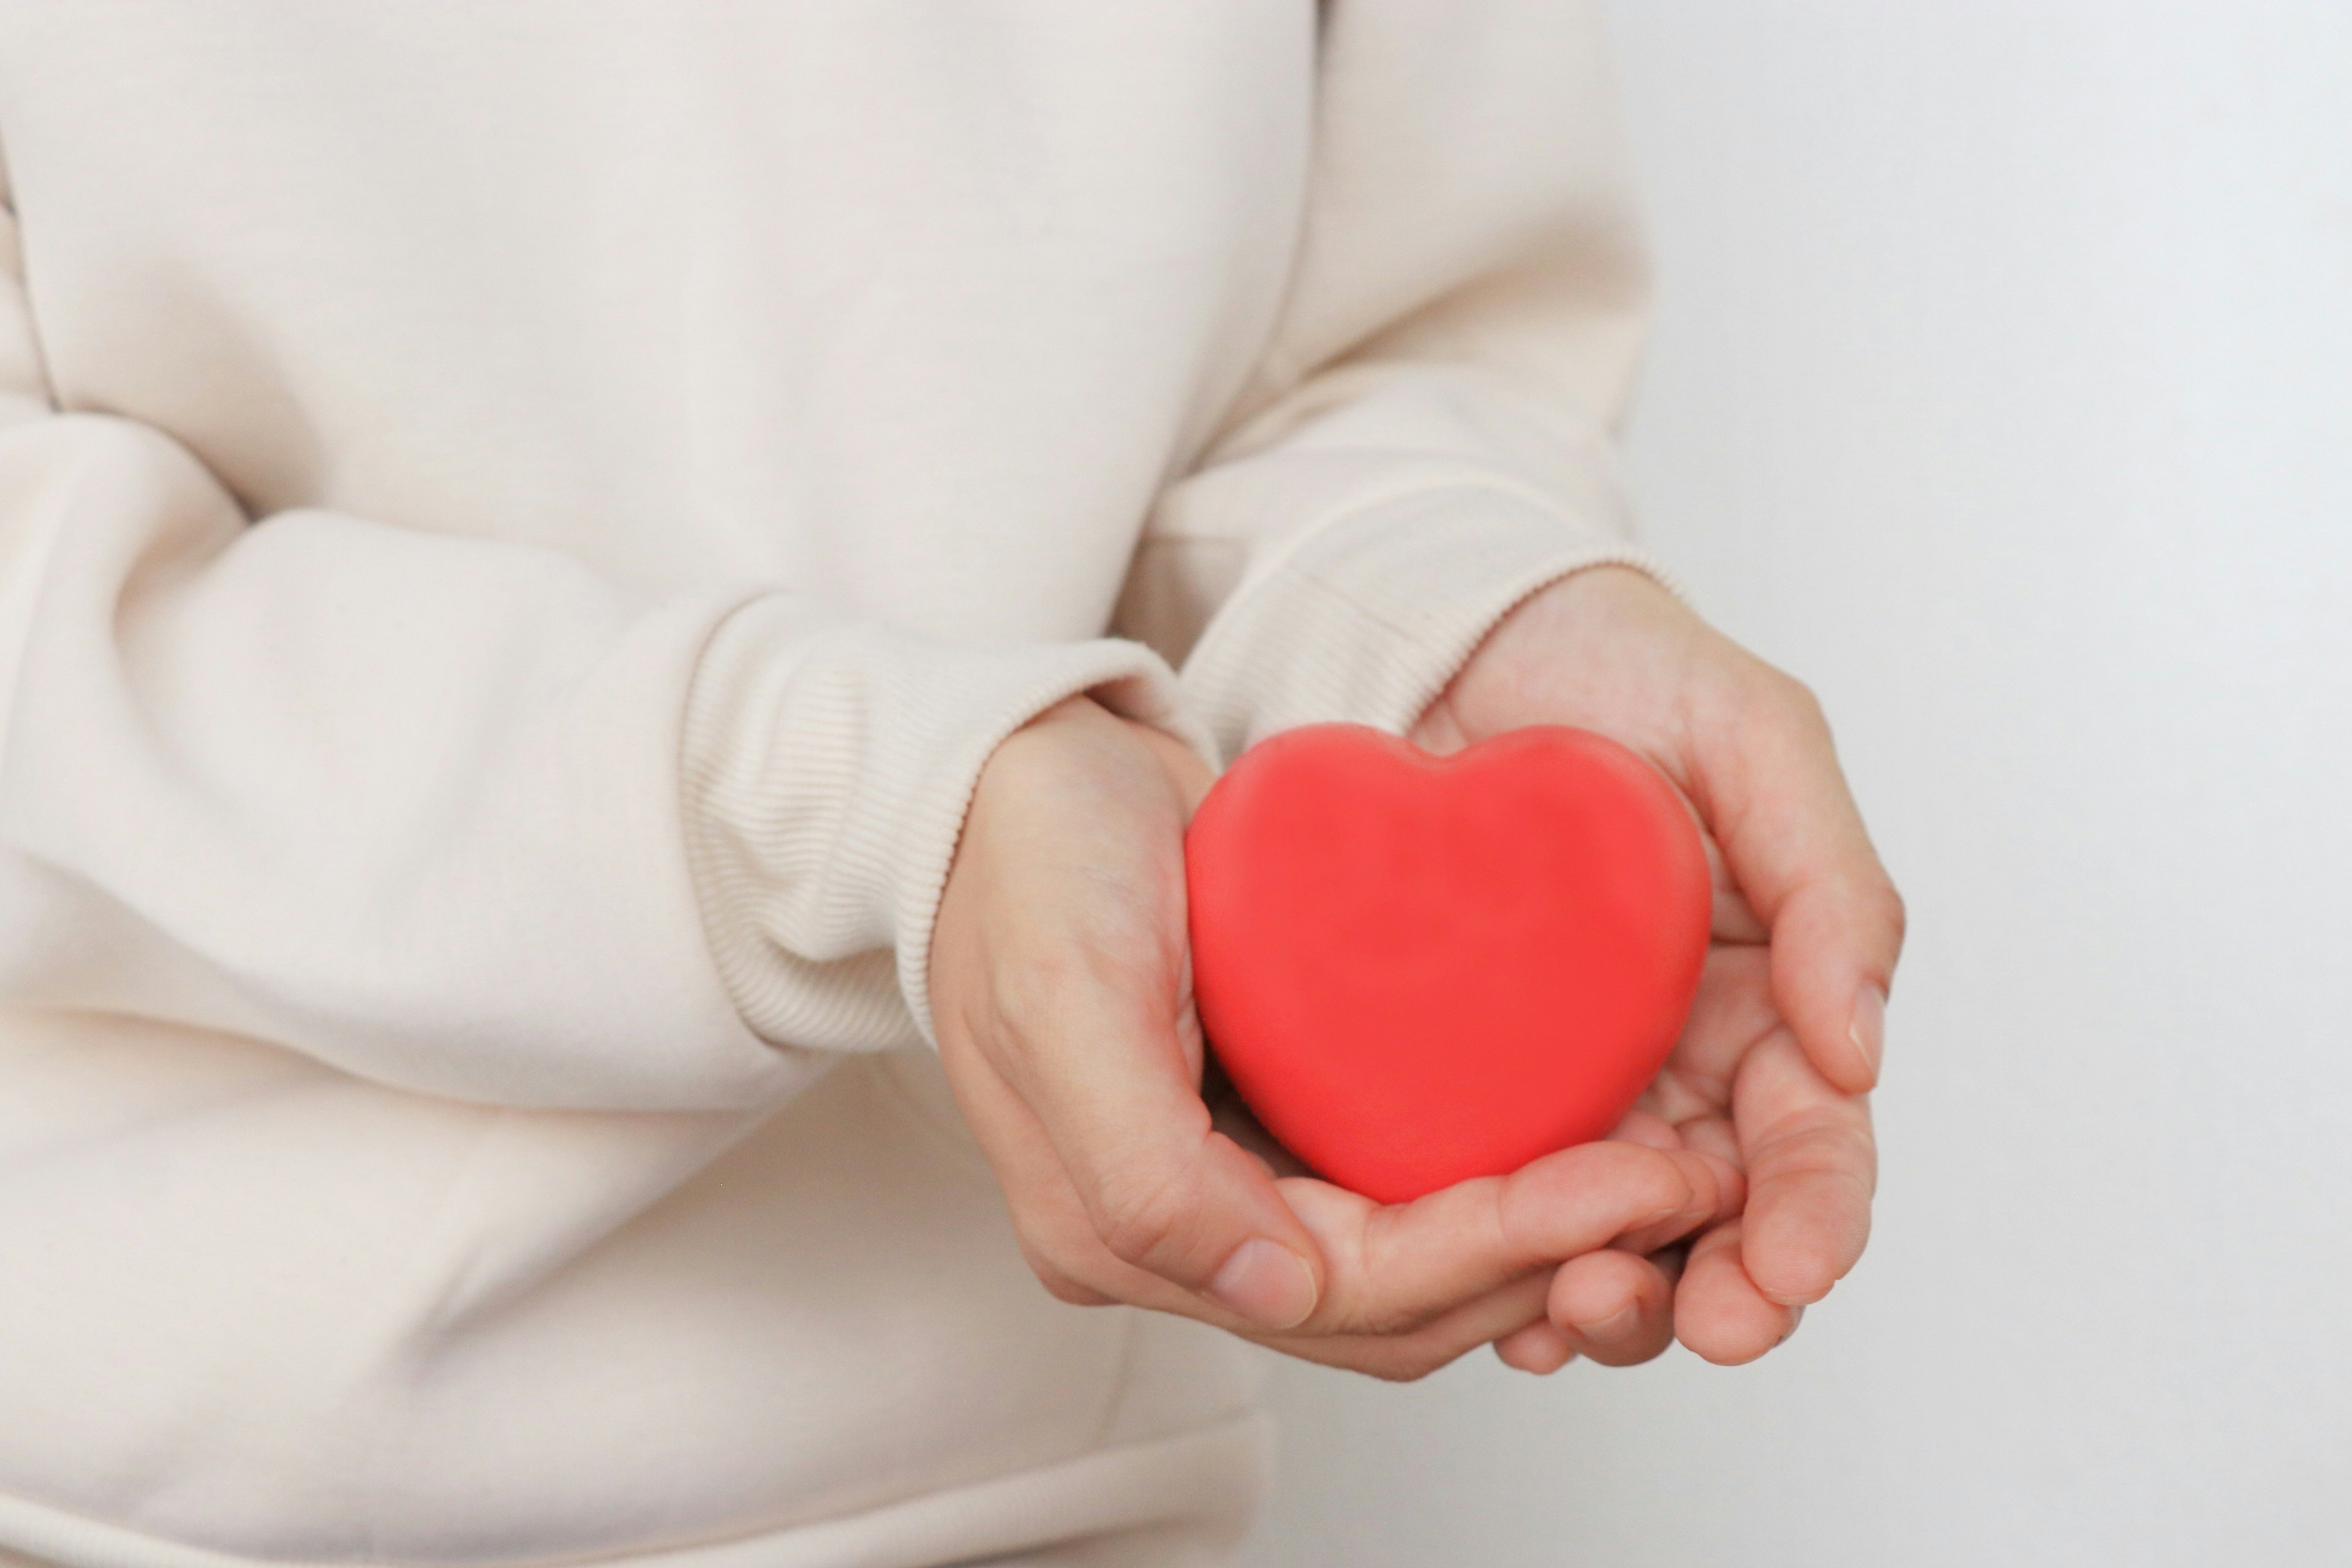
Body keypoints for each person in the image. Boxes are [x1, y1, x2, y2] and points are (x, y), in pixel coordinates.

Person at [0, 3, 1901, 1565]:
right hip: (100, 1488)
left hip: (1049, 1497)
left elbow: (1371, 353)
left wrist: (1439, 628)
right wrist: (857, 811)